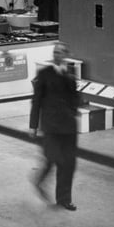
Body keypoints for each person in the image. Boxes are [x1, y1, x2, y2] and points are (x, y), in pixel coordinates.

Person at [30, 42, 81, 211]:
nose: (57, 55)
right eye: (55, 52)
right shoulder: (44, 74)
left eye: (60, 52)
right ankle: (39, 180)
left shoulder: (70, 75)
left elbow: (75, 99)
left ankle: (64, 199)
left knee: (69, 164)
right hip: (51, 126)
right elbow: (36, 101)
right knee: (53, 158)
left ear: (66, 54)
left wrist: (73, 113)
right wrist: (33, 125)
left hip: (68, 127)